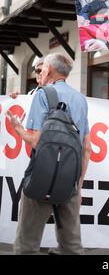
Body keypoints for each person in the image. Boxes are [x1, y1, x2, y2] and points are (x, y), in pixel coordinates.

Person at [9, 53, 91, 255]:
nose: (40, 71)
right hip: (69, 179)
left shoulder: (43, 94)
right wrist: (78, 187)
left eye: (42, 67)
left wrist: (18, 128)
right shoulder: (80, 100)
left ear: (50, 71)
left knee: (26, 245)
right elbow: (86, 147)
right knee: (71, 246)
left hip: (41, 177)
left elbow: (36, 141)